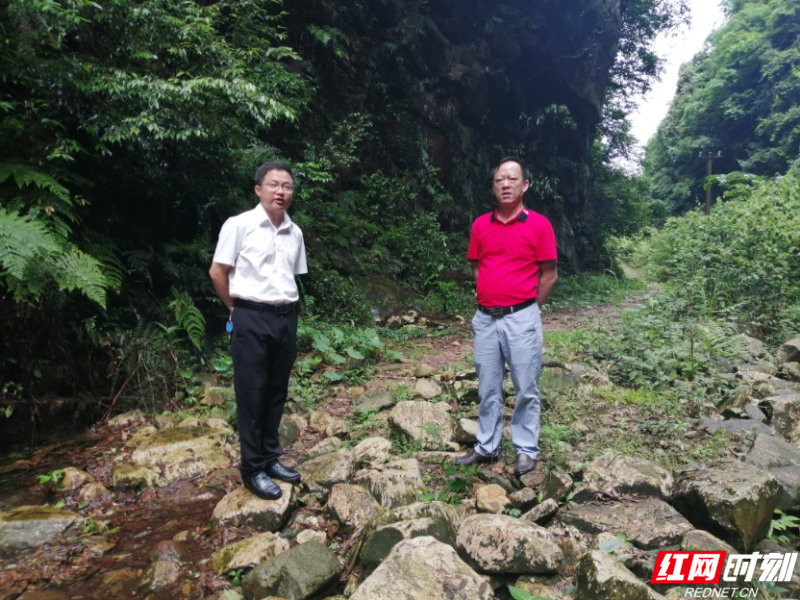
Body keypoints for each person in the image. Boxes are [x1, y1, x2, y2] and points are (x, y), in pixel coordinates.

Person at [209, 161, 307, 500]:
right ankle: (252, 469)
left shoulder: (295, 232)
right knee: (252, 394)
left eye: (287, 186)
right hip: (249, 315)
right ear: (258, 189)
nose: (281, 191)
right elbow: (218, 271)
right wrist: (235, 310)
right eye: (274, 185)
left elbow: (291, 276)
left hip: (285, 317)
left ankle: (270, 457)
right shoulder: (239, 225)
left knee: (276, 391)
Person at [455, 157, 558, 477]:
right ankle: (487, 446)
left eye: (512, 179)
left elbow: (550, 274)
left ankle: (526, 449)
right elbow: (476, 266)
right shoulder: (480, 225)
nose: (505, 185)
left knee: (525, 387)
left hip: (521, 317)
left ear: (525, 185)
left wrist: (529, 309)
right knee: (487, 387)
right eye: (500, 180)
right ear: (493, 186)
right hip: (485, 318)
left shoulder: (539, 225)